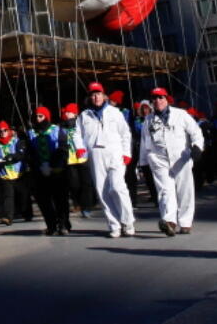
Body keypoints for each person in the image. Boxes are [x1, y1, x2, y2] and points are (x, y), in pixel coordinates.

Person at [139, 87, 203, 235]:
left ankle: (185, 222)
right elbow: (144, 141)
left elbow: (196, 132)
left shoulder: (180, 115)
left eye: (161, 97)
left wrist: (197, 146)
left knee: (184, 189)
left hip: (181, 157)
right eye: (154, 98)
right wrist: (143, 163)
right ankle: (169, 221)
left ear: (166, 99)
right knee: (165, 190)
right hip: (159, 159)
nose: (158, 101)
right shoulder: (148, 120)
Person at [78, 83, 136, 237]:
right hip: (95, 155)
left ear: (104, 95)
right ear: (90, 97)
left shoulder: (115, 112)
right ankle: (114, 224)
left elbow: (125, 133)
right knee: (102, 191)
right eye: (93, 94)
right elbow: (77, 134)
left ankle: (128, 221)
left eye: (98, 93)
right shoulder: (84, 115)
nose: (96, 97)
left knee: (118, 187)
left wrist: (126, 152)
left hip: (114, 153)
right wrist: (80, 148)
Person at [27, 106, 71, 235]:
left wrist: (52, 164)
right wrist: (37, 165)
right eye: (36, 116)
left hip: (57, 170)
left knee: (60, 199)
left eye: (41, 116)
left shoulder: (57, 130)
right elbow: (30, 152)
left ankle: (63, 224)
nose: (38, 119)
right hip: (40, 171)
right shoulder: (31, 133)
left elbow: (63, 149)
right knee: (44, 200)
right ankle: (51, 225)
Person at [0, 121, 30, 225]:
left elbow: (21, 154)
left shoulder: (16, 141)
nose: (2, 133)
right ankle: (8, 217)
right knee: (8, 196)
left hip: (18, 174)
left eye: (4, 130)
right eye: (0, 131)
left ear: (8, 131)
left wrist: (12, 157)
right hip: (5, 175)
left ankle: (27, 213)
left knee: (23, 195)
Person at [59, 103, 94, 217]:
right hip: (70, 158)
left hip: (82, 157)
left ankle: (87, 206)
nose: (67, 114)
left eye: (69, 112)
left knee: (86, 183)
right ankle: (77, 202)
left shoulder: (80, 124)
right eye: (66, 112)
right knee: (74, 184)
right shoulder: (62, 127)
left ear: (74, 113)